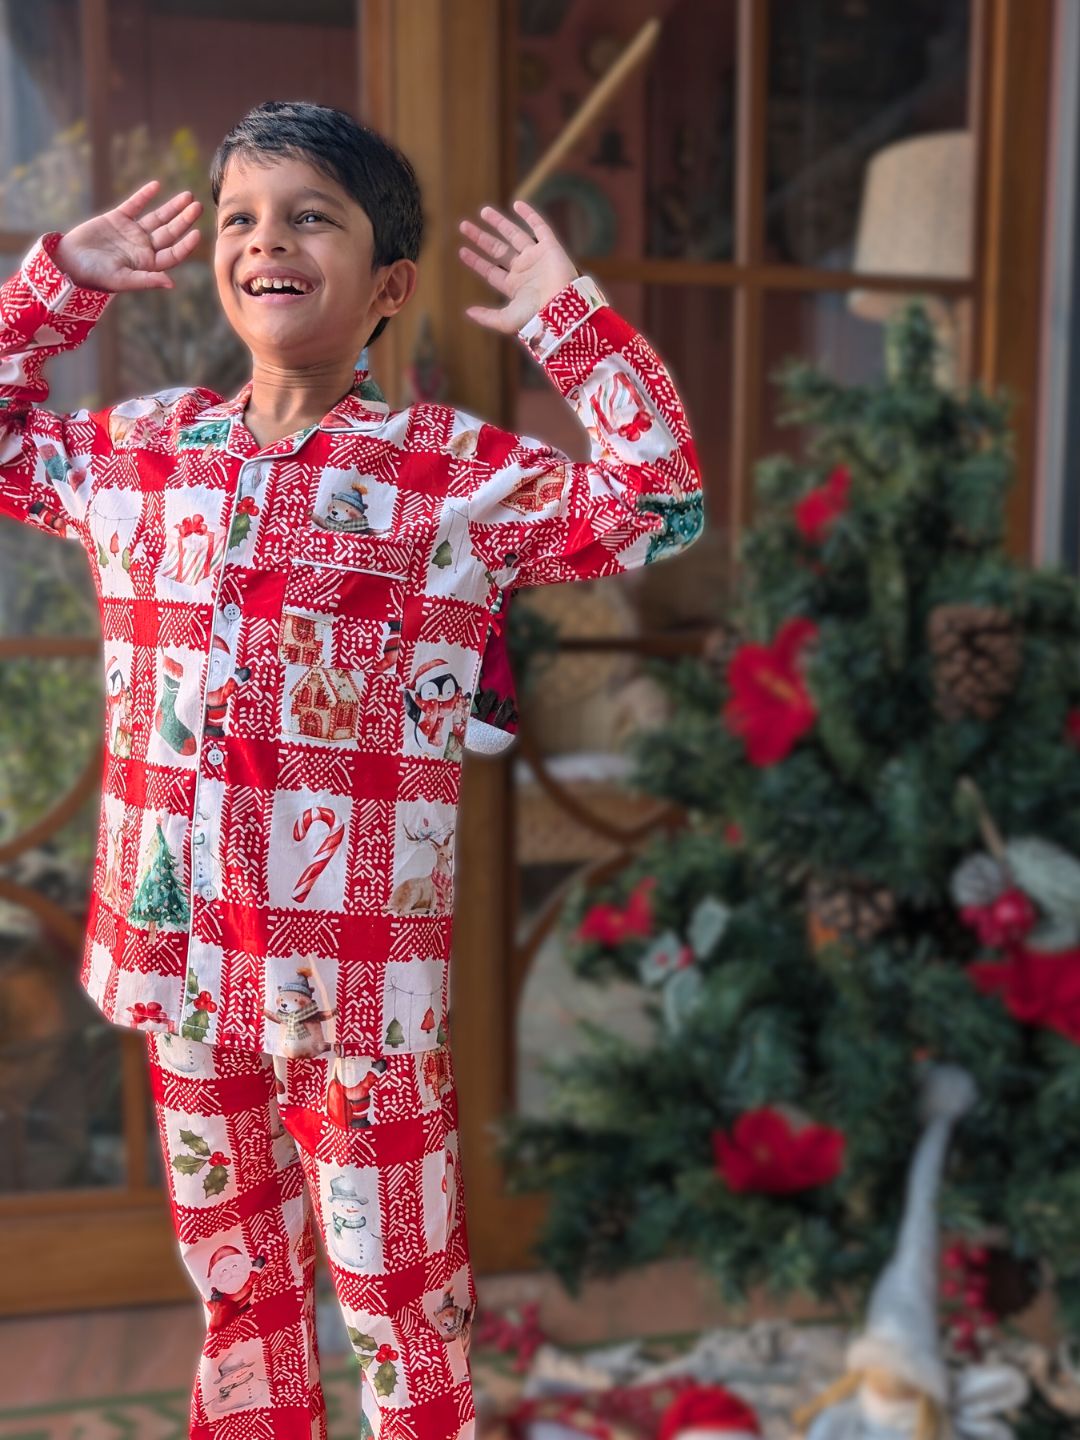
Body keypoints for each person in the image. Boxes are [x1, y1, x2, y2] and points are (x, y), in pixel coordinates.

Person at [0, 100, 704, 1440]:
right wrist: (49, 288)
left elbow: (660, 499)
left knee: (402, 1304)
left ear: (390, 284)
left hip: (358, 984)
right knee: (240, 1291)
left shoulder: (456, 480)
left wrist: (571, 316)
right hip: (185, 962)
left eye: (310, 214)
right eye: (241, 218)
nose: (267, 240)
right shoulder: (140, 456)